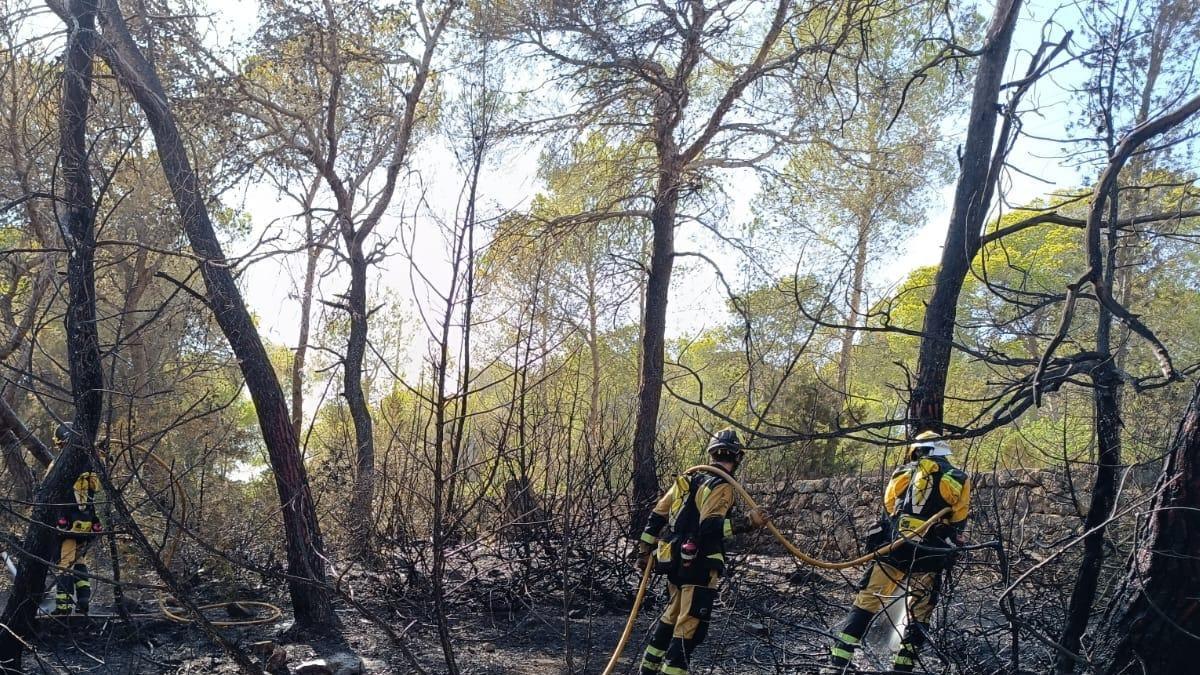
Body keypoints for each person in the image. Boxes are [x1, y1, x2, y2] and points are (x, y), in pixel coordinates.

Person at [823, 430, 971, 673]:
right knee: (920, 609)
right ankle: (903, 667)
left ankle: (839, 662)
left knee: (867, 600)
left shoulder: (902, 473)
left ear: (916, 451)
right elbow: (958, 519)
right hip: (930, 552)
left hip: (894, 548)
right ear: (942, 451)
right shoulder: (958, 478)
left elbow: (889, 506)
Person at [634, 428, 768, 675]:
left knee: (671, 616)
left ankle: (648, 670)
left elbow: (657, 515)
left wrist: (644, 551)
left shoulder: (689, 480)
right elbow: (709, 527)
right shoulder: (722, 485)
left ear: (711, 453)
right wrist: (747, 522)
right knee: (690, 625)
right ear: (738, 457)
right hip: (700, 563)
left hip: (674, 561)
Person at [48, 423, 103, 616]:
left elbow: (50, 492)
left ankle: (63, 607)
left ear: (61, 443)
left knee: (65, 564)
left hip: (68, 524)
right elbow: (94, 491)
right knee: (80, 562)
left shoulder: (61, 465)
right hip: (86, 523)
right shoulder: (90, 464)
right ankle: (83, 602)